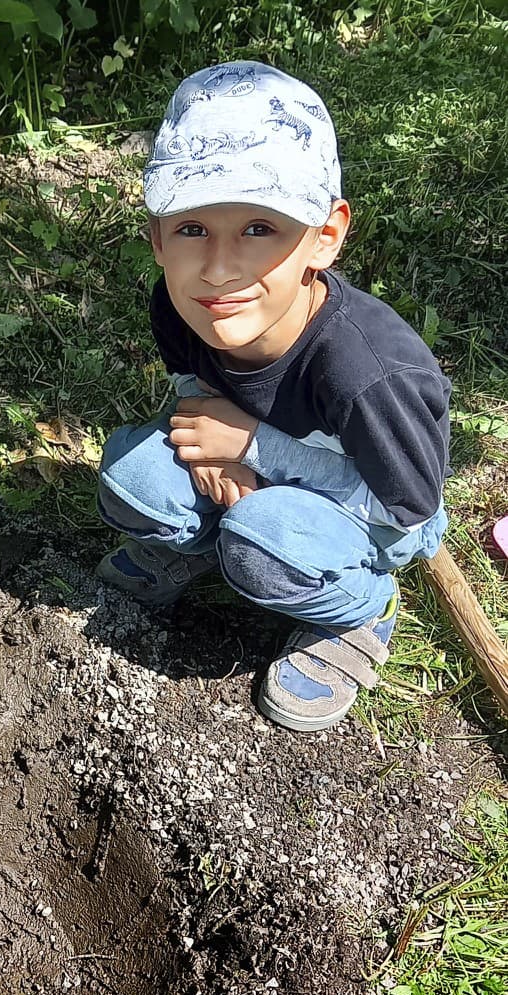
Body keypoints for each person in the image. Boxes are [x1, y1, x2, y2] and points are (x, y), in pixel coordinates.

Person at [96, 61, 450, 733]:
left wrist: (253, 447)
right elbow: (191, 383)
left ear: (325, 235)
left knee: (260, 547)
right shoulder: (181, 302)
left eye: (260, 229)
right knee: (131, 476)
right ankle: (190, 542)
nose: (220, 268)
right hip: (251, 459)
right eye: (193, 229)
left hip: (375, 505)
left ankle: (363, 609)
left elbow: (407, 510)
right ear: (157, 239)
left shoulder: (369, 374)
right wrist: (210, 443)